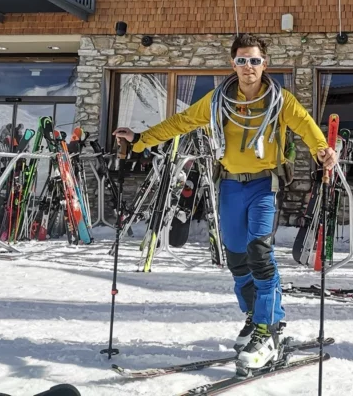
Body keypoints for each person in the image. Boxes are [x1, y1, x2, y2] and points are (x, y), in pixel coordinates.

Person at [112, 33, 337, 370]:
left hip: (264, 185)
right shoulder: (218, 100)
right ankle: (255, 318)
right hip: (230, 185)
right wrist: (141, 140)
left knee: (260, 254)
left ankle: (269, 328)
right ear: (234, 63)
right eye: (243, 60)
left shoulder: (281, 100)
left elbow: (305, 124)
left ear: (265, 64)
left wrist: (322, 149)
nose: (249, 67)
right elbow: (181, 122)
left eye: (255, 60)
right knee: (237, 259)